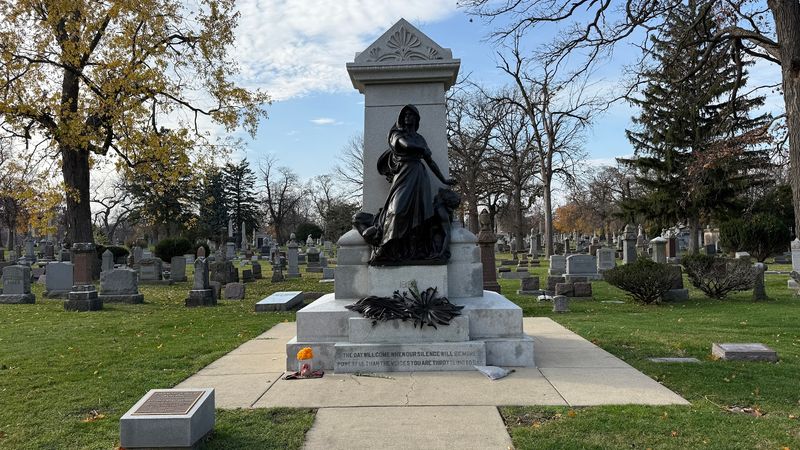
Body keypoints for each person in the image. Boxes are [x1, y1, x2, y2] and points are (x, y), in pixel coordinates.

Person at [369, 104, 455, 264]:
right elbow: (402, 144)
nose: (408, 117)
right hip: (404, 174)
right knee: (397, 209)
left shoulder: (420, 138)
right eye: (405, 114)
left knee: (420, 215)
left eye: (411, 115)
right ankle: (385, 248)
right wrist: (421, 149)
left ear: (416, 119)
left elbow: (430, 162)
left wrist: (443, 179)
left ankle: (414, 250)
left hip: (420, 175)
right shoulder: (396, 133)